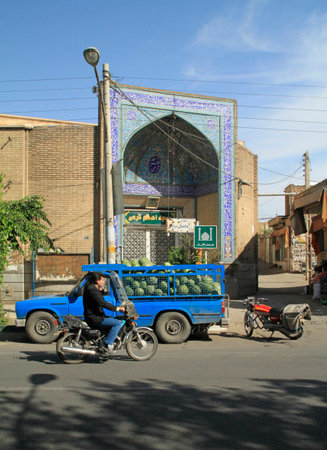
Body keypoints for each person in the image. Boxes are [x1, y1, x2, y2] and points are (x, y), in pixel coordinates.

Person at [83, 272, 125, 353]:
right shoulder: (93, 291)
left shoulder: (91, 288)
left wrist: (100, 291)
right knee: (117, 323)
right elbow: (102, 303)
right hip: (95, 318)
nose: (103, 282)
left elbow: (98, 300)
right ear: (97, 281)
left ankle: (103, 340)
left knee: (111, 320)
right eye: (102, 280)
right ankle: (107, 344)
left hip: (94, 316)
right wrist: (118, 309)